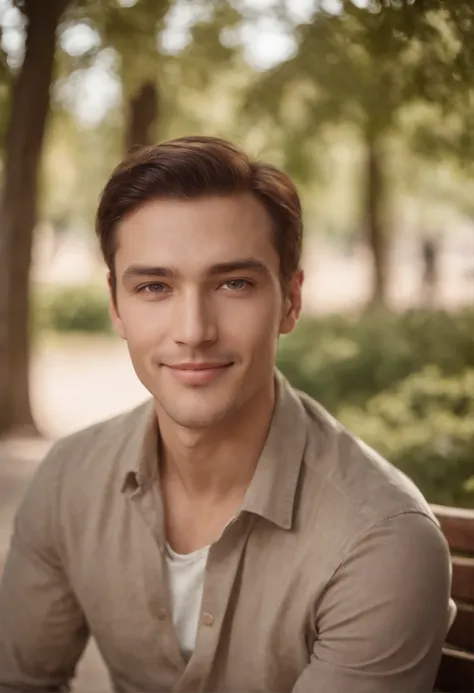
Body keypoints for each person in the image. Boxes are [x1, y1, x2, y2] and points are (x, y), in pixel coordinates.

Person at [0, 136, 455, 693]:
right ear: (117, 306)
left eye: (234, 283)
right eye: (154, 286)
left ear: (290, 301)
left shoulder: (382, 542)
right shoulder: (69, 478)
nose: (194, 331)